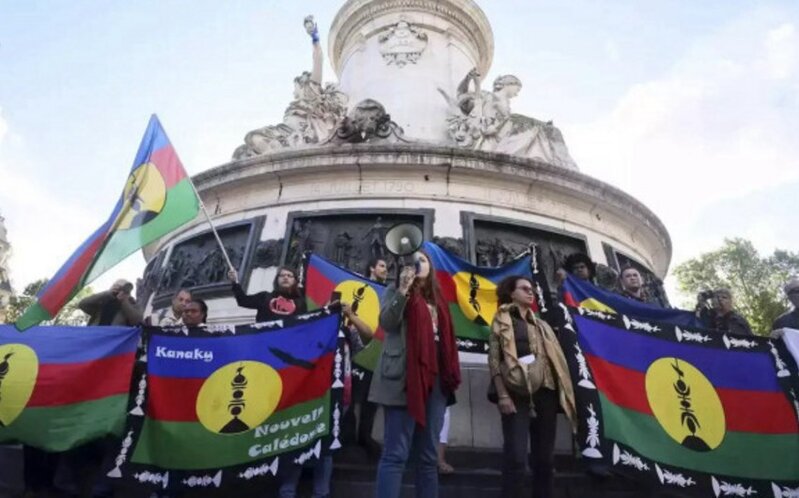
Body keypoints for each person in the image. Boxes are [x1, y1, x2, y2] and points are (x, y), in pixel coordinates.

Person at [370, 250, 461, 498]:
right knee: (395, 453)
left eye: (423, 260)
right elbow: (387, 323)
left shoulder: (440, 301)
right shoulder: (395, 291)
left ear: (430, 267)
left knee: (429, 456)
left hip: (436, 380)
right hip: (403, 378)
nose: (418, 264)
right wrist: (402, 290)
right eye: (412, 261)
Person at [489, 275, 576, 498]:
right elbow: (495, 359)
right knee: (516, 457)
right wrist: (502, 395)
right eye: (525, 289)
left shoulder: (543, 325)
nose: (531, 293)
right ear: (512, 293)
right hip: (515, 393)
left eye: (533, 290)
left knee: (545, 460)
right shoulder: (502, 319)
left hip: (546, 394)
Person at [347, 257, 388, 458]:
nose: (385, 269)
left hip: (377, 350)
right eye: (381, 266)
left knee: (371, 398)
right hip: (357, 348)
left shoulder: (388, 292)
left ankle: (365, 436)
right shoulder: (359, 287)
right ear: (372, 268)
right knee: (351, 395)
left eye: (386, 267)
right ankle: (347, 436)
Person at [228, 266, 306, 322]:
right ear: (277, 280)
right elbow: (243, 300)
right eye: (282, 275)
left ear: (295, 281)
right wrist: (235, 282)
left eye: (289, 276)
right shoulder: (264, 297)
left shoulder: (301, 302)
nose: (285, 277)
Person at [78, 279, 143, 326]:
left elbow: (137, 321)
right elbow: (82, 304)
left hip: (114, 341)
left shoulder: (132, 304)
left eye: (123, 288)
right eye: (116, 286)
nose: (119, 290)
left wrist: (124, 301)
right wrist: (108, 293)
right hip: (94, 336)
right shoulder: (102, 301)